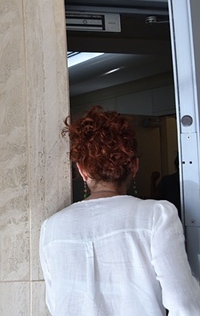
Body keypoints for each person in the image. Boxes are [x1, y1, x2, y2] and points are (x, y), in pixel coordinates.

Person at [40, 106, 200, 315]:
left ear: (82, 170)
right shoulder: (156, 216)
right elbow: (184, 305)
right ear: (134, 166)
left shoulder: (51, 228)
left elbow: (56, 305)